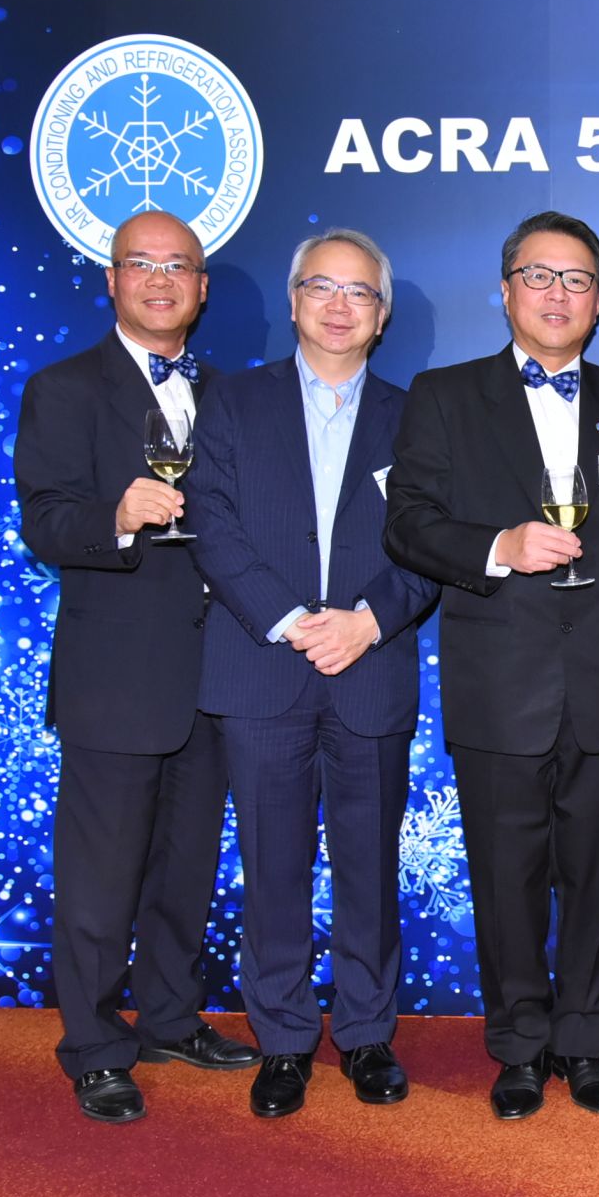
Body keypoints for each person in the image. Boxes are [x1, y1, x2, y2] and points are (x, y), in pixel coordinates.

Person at [384, 211, 599, 1119]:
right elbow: (407, 524)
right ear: (505, 288)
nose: (559, 294)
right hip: (499, 682)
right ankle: (518, 1045)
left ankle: (586, 1041)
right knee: (505, 881)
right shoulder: (444, 397)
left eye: (577, 280)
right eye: (540, 276)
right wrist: (498, 546)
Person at [14, 209, 259, 1124]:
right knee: (101, 877)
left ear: (202, 286)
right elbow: (45, 522)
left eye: (179, 265)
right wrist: (115, 518)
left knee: (186, 870)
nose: (161, 280)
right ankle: (93, 1045)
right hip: (115, 676)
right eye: (141, 264)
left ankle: (169, 1019)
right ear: (111, 279)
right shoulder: (64, 388)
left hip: (218, 672)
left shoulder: (232, 395)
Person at [186, 228, 437, 1118]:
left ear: (382, 314)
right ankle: (284, 1039)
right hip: (263, 668)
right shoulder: (232, 401)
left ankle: (366, 1033)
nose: (339, 305)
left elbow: (437, 540)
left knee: (369, 868)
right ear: (294, 302)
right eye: (321, 287)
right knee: (273, 868)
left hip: (371, 667)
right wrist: (295, 622)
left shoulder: (419, 416)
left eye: (359, 292)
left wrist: (367, 621)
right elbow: (210, 522)